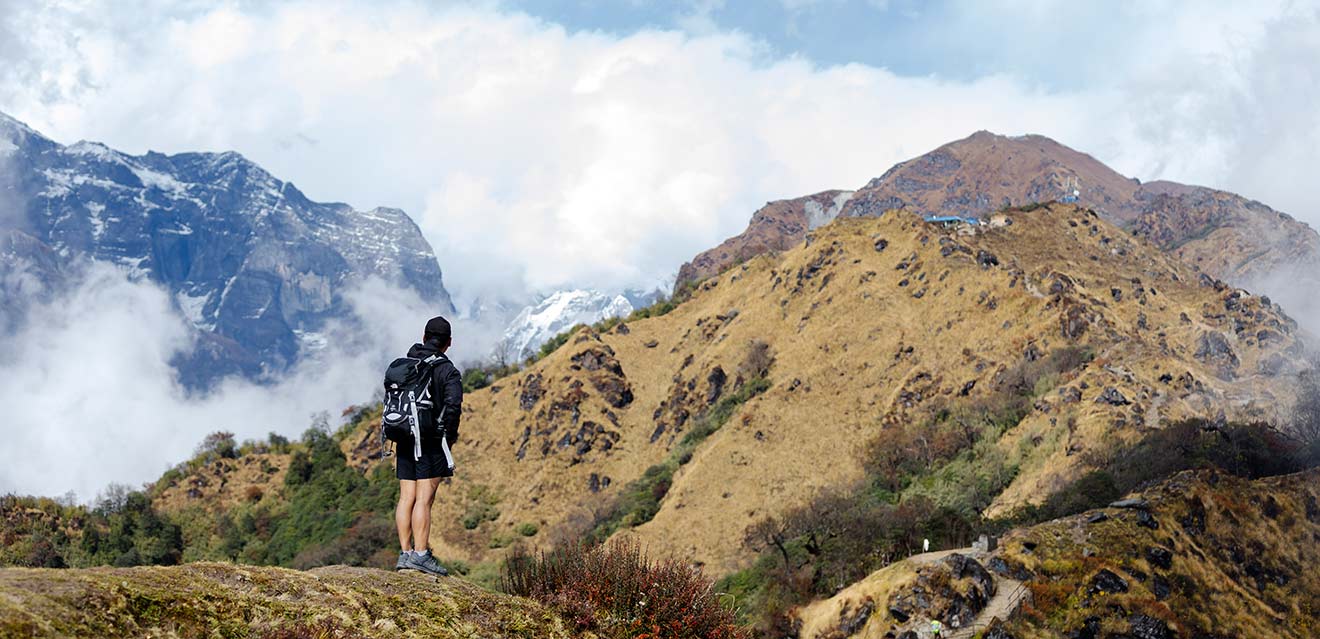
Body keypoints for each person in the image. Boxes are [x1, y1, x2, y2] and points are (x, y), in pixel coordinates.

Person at [394, 315, 463, 575]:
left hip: (403, 436)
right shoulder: (447, 371)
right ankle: (421, 555)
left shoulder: (407, 363)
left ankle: (405, 553)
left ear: (423, 338)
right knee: (424, 499)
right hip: (431, 440)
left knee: (406, 497)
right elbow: (453, 407)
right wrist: (449, 438)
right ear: (448, 343)